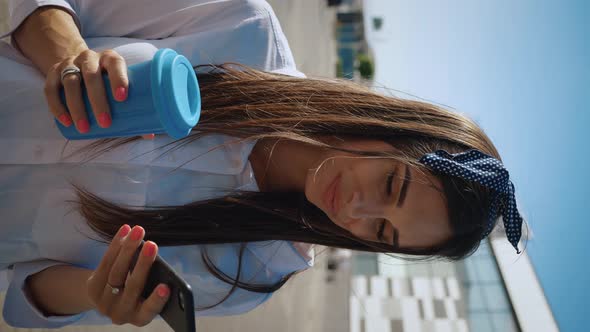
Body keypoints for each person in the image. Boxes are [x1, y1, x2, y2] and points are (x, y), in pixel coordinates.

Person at [0, 0, 526, 329]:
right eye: (391, 184)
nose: (359, 211)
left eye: (382, 231)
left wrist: (94, 294)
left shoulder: (250, 275)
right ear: (390, 128)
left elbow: (23, 300)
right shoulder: (245, 30)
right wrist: (68, 56)